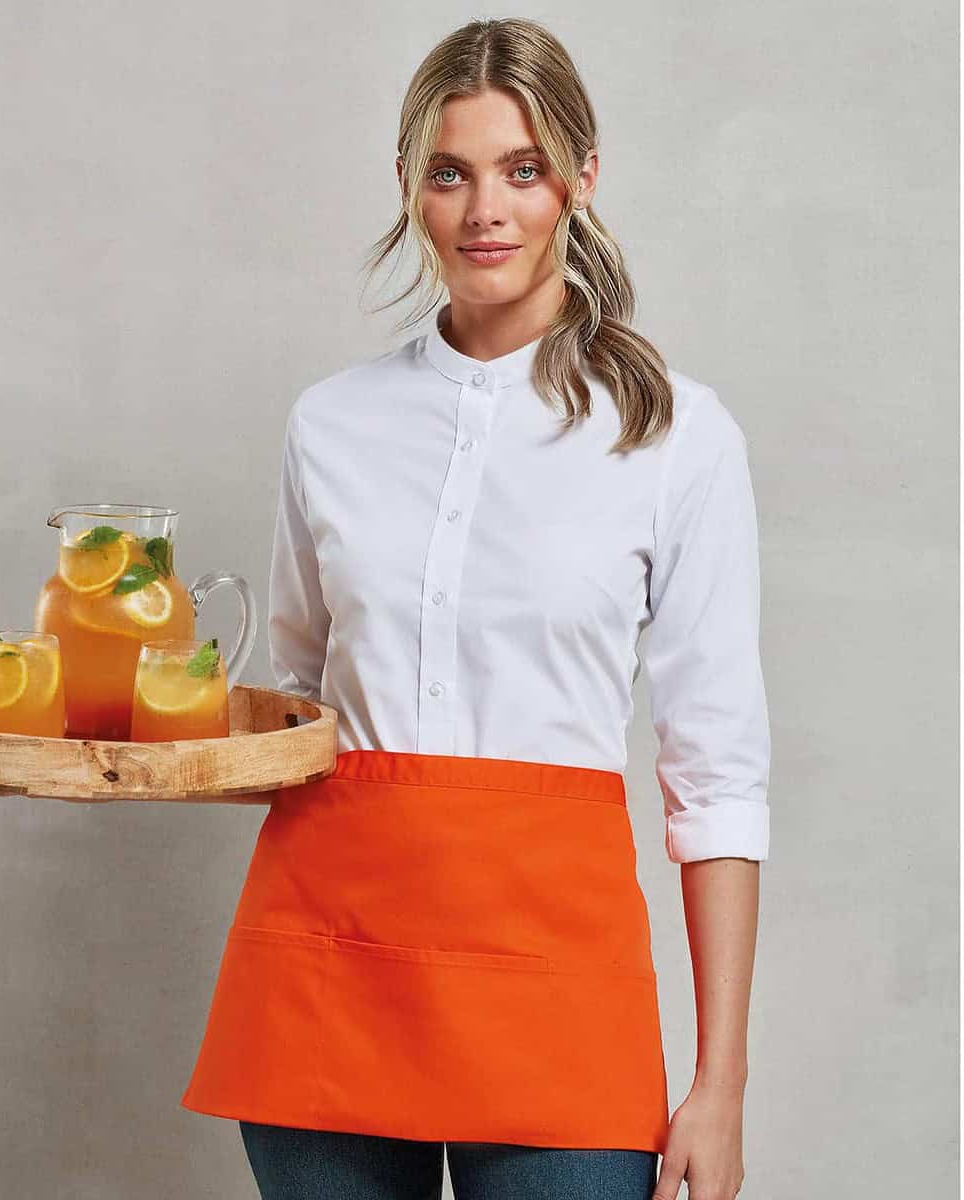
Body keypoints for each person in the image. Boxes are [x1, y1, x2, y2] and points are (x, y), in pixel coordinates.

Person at [180, 16, 770, 1200]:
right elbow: (295, 698)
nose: (484, 210)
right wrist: (133, 730)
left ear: (580, 179)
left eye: (523, 169)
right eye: (449, 173)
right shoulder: (331, 424)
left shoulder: (676, 438)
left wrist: (718, 1084)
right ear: (409, 186)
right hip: (330, 967)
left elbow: (717, 779)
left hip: (556, 973)